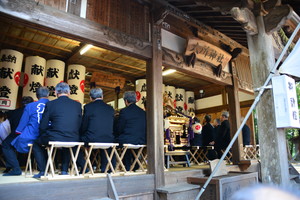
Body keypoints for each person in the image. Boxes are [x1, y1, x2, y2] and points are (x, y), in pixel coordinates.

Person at [32, 82, 82, 178]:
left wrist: (44, 134)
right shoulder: (77, 105)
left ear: (55, 92)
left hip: (55, 137)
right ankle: (64, 170)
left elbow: (43, 125)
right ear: (69, 92)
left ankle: (43, 171)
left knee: (36, 143)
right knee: (67, 143)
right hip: (73, 137)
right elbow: (79, 123)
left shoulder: (51, 104)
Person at [3, 88, 49, 176]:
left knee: (7, 145)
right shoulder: (52, 104)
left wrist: (17, 132)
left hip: (31, 135)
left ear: (36, 95)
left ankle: (16, 168)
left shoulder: (30, 106)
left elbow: (21, 126)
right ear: (48, 94)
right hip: (47, 136)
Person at [80, 88, 115, 172]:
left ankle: (84, 166)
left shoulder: (88, 107)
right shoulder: (110, 108)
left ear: (91, 98)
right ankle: (106, 168)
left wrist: (81, 133)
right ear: (102, 96)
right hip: (108, 139)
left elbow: (84, 125)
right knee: (104, 143)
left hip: (92, 139)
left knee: (77, 141)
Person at [2, 96, 34, 175]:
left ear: (21, 104)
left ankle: (14, 168)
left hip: (18, 136)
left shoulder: (14, 112)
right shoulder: (35, 112)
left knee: (6, 145)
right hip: (33, 137)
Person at [116, 91, 146, 171]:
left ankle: (127, 166)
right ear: (135, 100)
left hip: (128, 140)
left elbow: (120, 128)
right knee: (130, 140)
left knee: (122, 139)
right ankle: (136, 165)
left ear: (126, 101)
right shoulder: (143, 112)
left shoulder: (124, 111)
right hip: (142, 140)